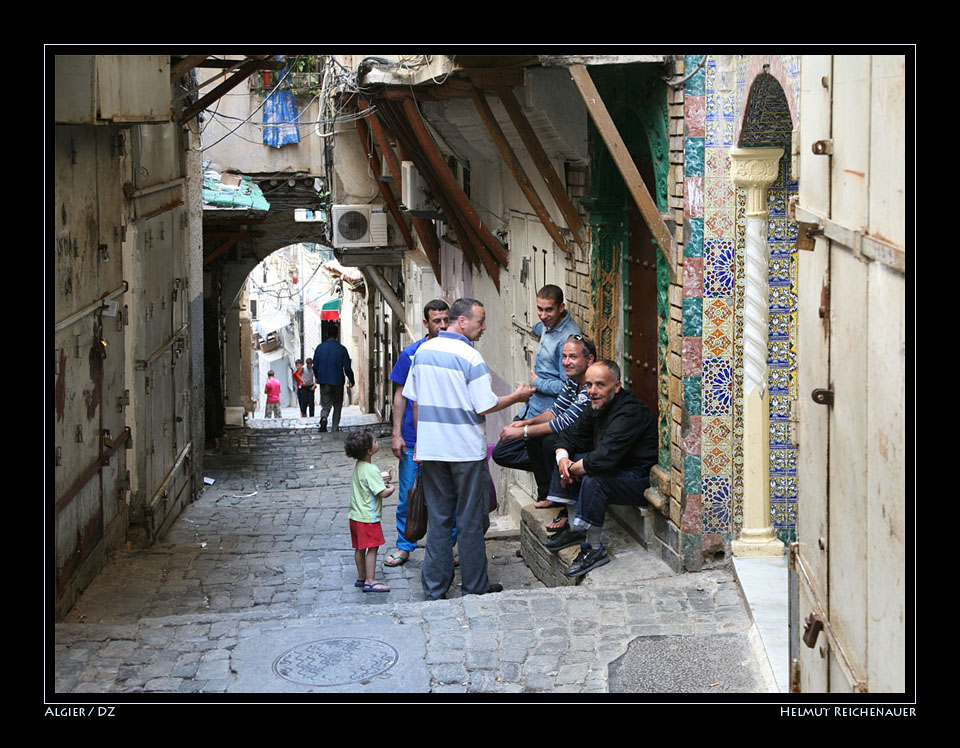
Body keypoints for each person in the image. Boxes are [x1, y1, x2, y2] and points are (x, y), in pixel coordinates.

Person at [403, 298, 534, 599]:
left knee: (439, 519)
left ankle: (435, 588)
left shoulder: (422, 352)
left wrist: (419, 445)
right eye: (480, 320)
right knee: (470, 521)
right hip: (464, 451)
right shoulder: (470, 357)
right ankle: (474, 587)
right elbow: (485, 405)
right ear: (461, 322)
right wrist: (516, 397)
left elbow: (416, 402)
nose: (484, 326)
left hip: (433, 450)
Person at [543, 360, 658, 578]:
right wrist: (564, 460)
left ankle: (594, 549)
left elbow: (605, 457)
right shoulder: (595, 405)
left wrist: (574, 469)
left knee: (594, 479)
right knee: (565, 456)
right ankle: (576, 529)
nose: (592, 391)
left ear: (616, 386)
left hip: (637, 479)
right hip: (615, 468)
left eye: (599, 385)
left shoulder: (630, 412)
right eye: (588, 385)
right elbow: (570, 435)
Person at [493, 285, 582, 508]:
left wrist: (537, 382)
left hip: (550, 412)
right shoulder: (547, 327)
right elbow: (538, 327)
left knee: (511, 451)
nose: (543, 316)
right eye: (539, 310)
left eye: (548, 310)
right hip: (533, 408)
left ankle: (554, 476)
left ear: (562, 307)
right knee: (504, 451)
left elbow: (567, 386)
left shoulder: (568, 338)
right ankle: (551, 473)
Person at [498, 334, 596, 533]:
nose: (566, 362)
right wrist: (526, 423)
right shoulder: (572, 381)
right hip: (571, 438)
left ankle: (564, 506)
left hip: (589, 443)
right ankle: (549, 494)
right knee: (532, 439)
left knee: (550, 441)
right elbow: (555, 410)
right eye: (564, 356)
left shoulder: (591, 384)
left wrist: (523, 431)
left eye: (573, 357)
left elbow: (564, 421)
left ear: (589, 359)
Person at [384, 299, 451, 569]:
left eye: (446, 319)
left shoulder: (455, 351)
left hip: (446, 439)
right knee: (409, 495)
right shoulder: (410, 354)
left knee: (448, 494)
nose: (442, 325)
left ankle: (451, 545)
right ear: (426, 323)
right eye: (437, 321)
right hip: (413, 440)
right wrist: (397, 433)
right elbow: (400, 395)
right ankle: (405, 545)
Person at [345, 429, 396, 593]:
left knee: (359, 548)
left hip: (355, 516)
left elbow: (368, 481)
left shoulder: (359, 466)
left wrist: (380, 478)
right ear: (369, 450)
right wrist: (391, 488)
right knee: (373, 548)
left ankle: (361, 577)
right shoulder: (372, 469)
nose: (377, 443)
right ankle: (371, 580)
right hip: (368, 518)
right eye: (375, 442)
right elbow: (382, 493)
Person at [312, 322, 355, 432]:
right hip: (337, 381)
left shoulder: (319, 348)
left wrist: (317, 376)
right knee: (337, 405)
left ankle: (324, 417)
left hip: (324, 381)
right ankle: (335, 427)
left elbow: (315, 366)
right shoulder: (341, 349)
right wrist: (351, 379)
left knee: (325, 404)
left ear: (326, 334)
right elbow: (347, 367)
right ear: (336, 335)